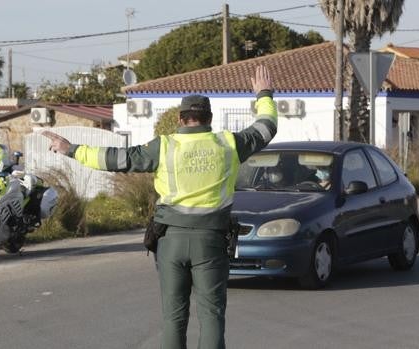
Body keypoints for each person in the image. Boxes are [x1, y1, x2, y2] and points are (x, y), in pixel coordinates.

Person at [43, 66, 277, 349]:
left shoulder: (164, 146)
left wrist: (72, 149)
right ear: (210, 119)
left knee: (174, 318)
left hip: (171, 241)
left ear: (180, 118)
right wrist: (263, 94)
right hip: (212, 241)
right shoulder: (229, 144)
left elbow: (118, 159)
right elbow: (266, 127)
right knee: (212, 315)